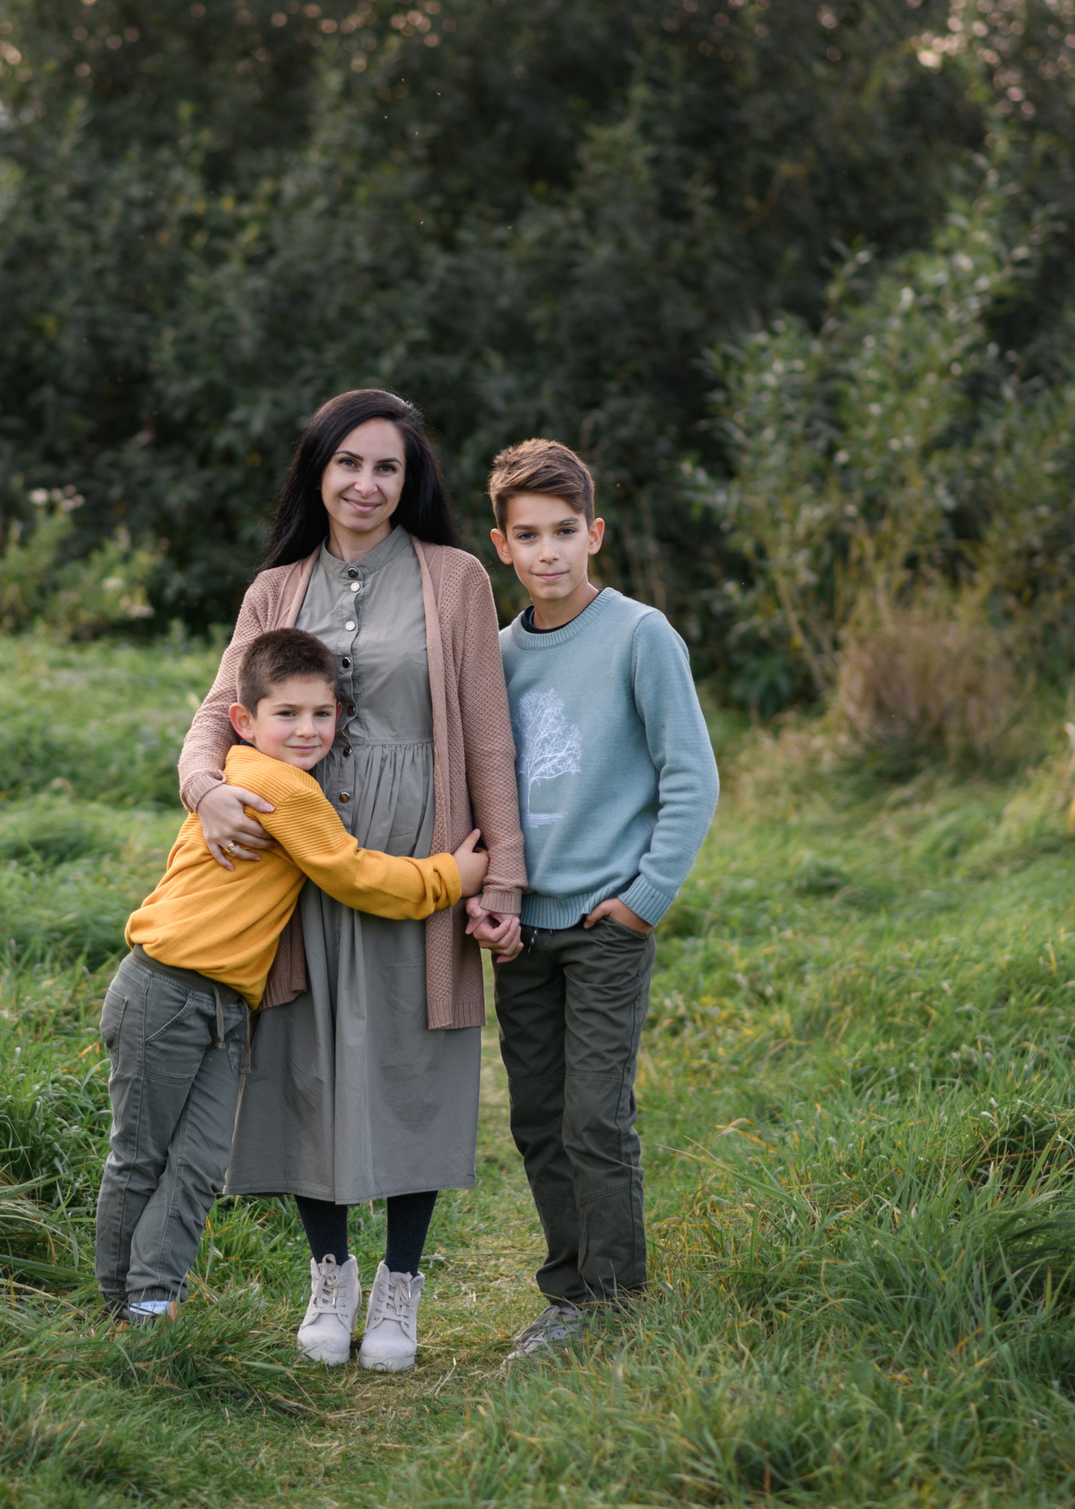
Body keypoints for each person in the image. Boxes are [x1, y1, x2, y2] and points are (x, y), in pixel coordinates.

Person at [181, 389, 525, 1372]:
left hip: (424, 846)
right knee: (306, 1056)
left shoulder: (456, 578)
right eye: (348, 464)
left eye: (387, 467)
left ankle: (400, 1288)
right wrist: (205, 792)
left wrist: (498, 880)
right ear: (317, 473)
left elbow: (490, 737)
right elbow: (217, 713)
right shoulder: (274, 589)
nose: (366, 485)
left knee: (417, 1058)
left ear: (409, 480)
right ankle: (329, 1275)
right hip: (303, 857)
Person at [98, 628, 489, 1325]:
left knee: (195, 1167)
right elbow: (356, 875)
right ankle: (113, 1308)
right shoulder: (280, 786)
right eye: (287, 714)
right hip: (164, 991)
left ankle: (151, 1304)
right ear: (243, 722)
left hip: (224, 1006)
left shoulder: (260, 775)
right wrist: (449, 878)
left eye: (321, 713)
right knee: (141, 1158)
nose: (307, 729)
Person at [483, 438, 718, 1363]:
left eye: (565, 532)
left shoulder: (639, 634)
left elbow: (690, 776)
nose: (549, 552)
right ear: (501, 544)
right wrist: (493, 898)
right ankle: (569, 1288)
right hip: (523, 929)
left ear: (596, 535)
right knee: (537, 1116)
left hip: (603, 924)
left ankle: (615, 1299)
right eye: (528, 535)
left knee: (593, 1114)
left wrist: (645, 897)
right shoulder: (496, 654)